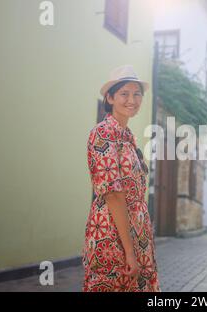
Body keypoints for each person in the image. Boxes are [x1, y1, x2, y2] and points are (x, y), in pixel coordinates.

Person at [82, 65, 161, 292]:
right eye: (124, 93)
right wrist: (129, 251)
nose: (132, 100)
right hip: (112, 233)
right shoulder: (103, 133)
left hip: (136, 230)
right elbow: (114, 194)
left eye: (137, 94)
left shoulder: (128, 137)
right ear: (110, 98)